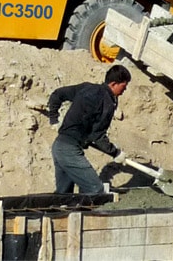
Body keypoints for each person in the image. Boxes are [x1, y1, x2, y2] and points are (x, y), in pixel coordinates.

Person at [43, 65, 132, 194]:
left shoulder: (87, 88)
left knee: (64, 195)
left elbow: (58, 94)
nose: (125, 90)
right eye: (124, 86)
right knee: (95, 190)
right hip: (69, 150)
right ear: (113, 84)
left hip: (60, 146)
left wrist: (54, 119)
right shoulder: (106, 102)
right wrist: (115, 153)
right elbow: (97, 136)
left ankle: (65, 213)